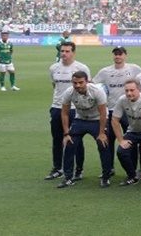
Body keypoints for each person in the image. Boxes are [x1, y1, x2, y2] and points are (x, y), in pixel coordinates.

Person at [58, 71, 112, 188]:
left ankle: (106, 176)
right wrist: (66, 133)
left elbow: (103, 113)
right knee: (69, 144)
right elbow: (65, 113)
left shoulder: (97, 91)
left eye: (81, 82)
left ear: (87, 81)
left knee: (103, 143)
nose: (77, 85)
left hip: (97, 119)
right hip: (80, 119)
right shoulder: (69, 92)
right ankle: (68, 177)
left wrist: (102, 133)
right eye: (75, 83)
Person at [93, 46, 141, 173]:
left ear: (125, 55)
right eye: (115, 54)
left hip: (129, 111)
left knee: (131, 140)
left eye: (120, 54)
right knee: (108, 141)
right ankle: (109, 168)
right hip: (110, 111)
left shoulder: (134, 68)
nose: (118, 56)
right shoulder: (105, 71)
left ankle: (132, 169)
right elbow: (94, 85)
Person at [46, 41, 89, 181]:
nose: (64, 54)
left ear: (73, 52)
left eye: (67, 51)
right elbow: (55, 85)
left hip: (75, 109)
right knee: (57, 139)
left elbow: (87, 88)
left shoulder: (81, 68)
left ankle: (79, 170)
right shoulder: (53, 68)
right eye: (62, 51)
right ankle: (58, 168)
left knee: (76, 140)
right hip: (57, 107)